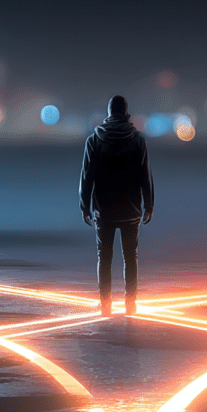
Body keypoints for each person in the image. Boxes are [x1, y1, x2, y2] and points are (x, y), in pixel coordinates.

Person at [79, 95, 154, 316]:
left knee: (104, 258)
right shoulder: (138, 140)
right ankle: (131, 304)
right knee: (131, 257)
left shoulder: (94, 140)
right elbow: (145, 175)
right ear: (126, 113)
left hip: (104, 209)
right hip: (131, 209)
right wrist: (149, 205)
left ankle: (105, 305)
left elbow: (87, 177)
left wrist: (84, 206)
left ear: (109, 113)